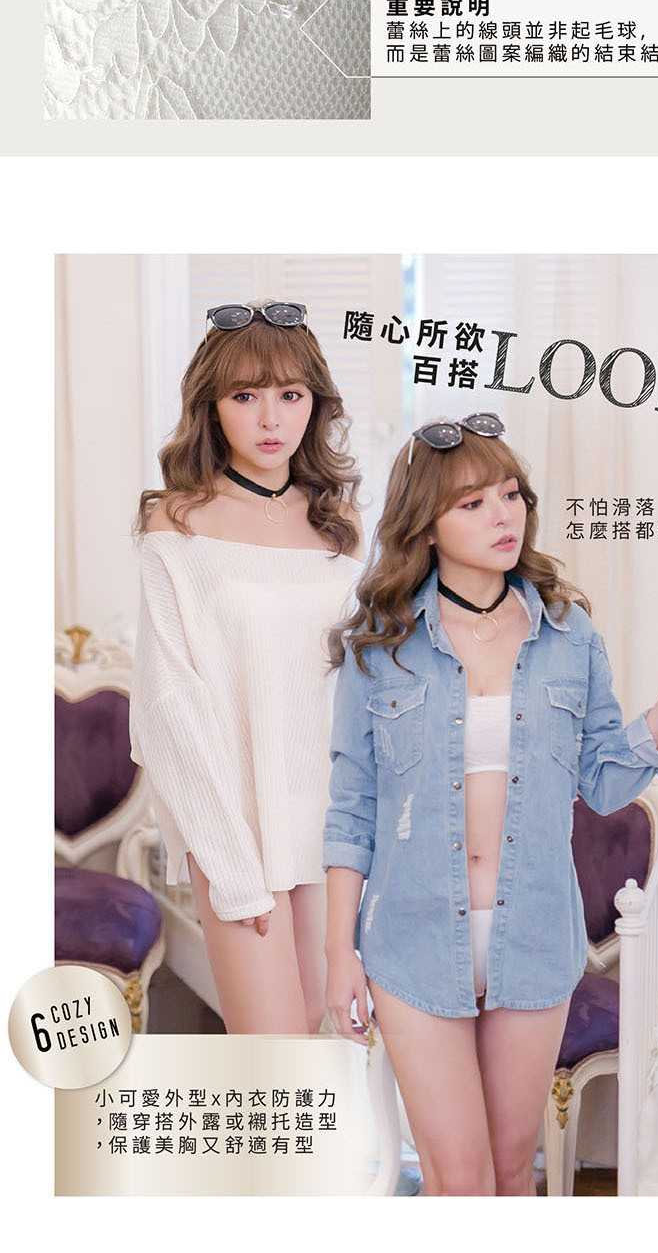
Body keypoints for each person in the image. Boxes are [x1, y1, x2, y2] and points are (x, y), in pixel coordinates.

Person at [324, 411, 658, 1196]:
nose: (503, 514)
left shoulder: (567, 634)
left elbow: (603, 780)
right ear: (425, 524)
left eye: (511, 494)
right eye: (473, 503)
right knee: (459, 1181)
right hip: (413, 936)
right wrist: (337, 955)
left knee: (509, 1174)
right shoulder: (381, 645)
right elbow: (352, 807)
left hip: (533, 934)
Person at [131, 297, 359, 1040]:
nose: (270, 419)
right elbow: (166, 703)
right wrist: (228, 862)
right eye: (245, 396)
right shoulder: (177, 521)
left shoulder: (339, 526)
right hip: (236, 822)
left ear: (315, 403)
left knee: (319, 1045)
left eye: (290, 395)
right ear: (212, 406)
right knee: (271, 1052)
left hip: (326, 822)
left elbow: (357, 682)